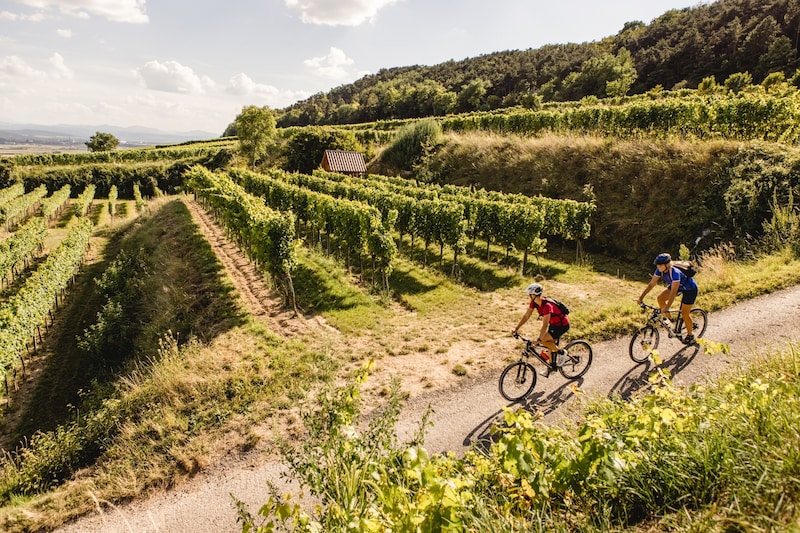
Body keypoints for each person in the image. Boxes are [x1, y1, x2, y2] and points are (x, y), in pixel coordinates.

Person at [637, 252, 699, 344]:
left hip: (690, 289)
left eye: (660, 265)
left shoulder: (675, 273)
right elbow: (651, 284)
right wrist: (641, 298)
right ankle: (671, 322)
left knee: (684, 313)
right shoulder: (659, 270)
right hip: (678, 286)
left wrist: (666, 308)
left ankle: (690, 335)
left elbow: (673, 292)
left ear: (667, 264)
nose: (658, 267)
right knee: (660, 298)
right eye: (657, 265)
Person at [513, 283, 570, 375]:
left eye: (530, 294)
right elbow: (526, 316)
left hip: (562, 325)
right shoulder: (534, 303)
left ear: (535, 294)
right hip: (553, 325)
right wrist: (516, 328)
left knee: (544, 340)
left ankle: (562, 352)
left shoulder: (547, 306)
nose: (529, 296)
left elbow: (545, 325)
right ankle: (551, 367)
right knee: (549, 344)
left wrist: (539, 339)